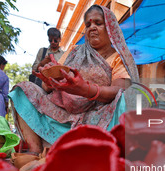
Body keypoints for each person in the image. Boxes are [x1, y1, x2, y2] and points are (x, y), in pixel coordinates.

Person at [9, 4, 139, 154]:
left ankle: (108, 151)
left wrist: (86, 90)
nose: (92, 28)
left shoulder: (117, 58)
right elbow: (48, 86)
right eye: (88, 24)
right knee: (22, 90)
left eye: (98, 23)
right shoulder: (74, 51)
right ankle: (35, 149)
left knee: (126, 97)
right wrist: (49, 81)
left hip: (96, 115)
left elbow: (119, 88)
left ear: (110, 28)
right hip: (62, 112)